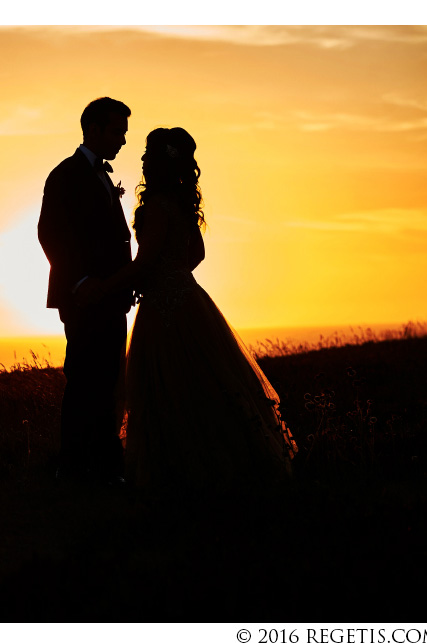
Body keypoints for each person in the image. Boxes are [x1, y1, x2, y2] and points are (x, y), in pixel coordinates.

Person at [88, 127, 297, 495]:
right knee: (207, 387)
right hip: (190, 299)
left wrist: (106, 286)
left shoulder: (156, 205)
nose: (140, 158)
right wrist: (176, 274)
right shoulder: (180, 203)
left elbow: (145, 260)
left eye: (146, 153)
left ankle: (176, 478)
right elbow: (196, 254)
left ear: (157, 162)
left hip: (164, 308)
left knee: (165, 389)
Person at [38, 97, 135, 485]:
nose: (123, 141)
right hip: (84, 299)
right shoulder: (65, 175)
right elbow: (51, 232)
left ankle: (104, 463)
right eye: (117, 131)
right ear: (93, 128)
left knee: (109, 381)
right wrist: (79, 282)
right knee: (83, 381)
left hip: (112, 297)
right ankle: (74, 466)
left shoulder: (103, 176)